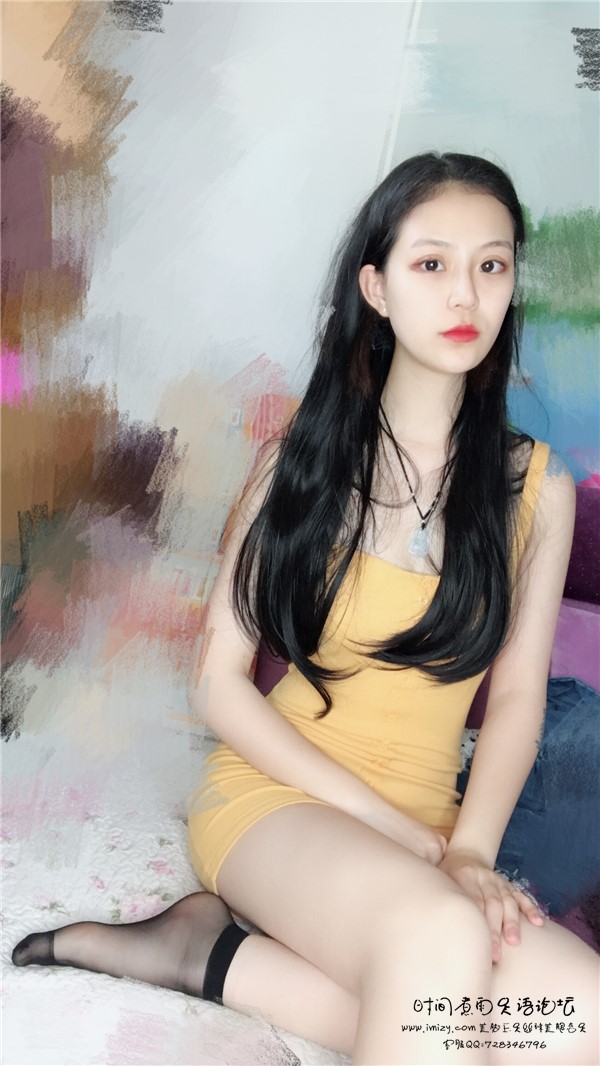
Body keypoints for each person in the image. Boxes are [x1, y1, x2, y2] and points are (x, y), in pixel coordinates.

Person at [12, 152, 599, 1065]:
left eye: (492, 265)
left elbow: (519, 697)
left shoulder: (537, 488)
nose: (466, 295)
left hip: (432, 826)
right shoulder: (300, 462)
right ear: (376, 287)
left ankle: (211, 957)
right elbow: (218, 684)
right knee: (439, 937)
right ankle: (215, 945)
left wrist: (469, 851)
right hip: (276, 797)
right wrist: (404, 838)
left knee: (576, 1019)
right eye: (432, 264)